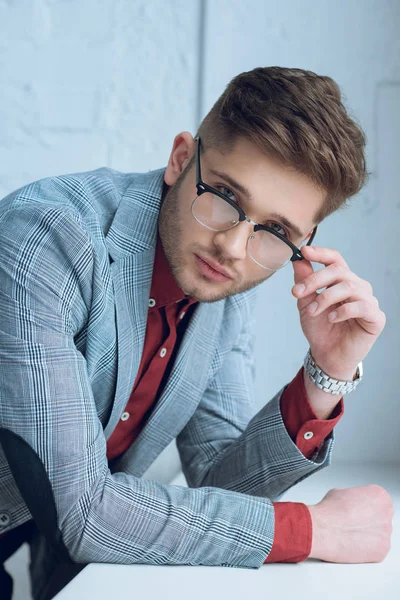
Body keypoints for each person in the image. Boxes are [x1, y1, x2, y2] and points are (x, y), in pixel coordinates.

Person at [0, 66, 393, 600]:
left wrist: (326, 374)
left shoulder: (221, 286)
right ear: (181, 160)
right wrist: (313, 529)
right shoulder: (47, 239)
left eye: (275, 231)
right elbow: (88, 511)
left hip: (61, 549)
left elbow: (220, 484)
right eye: (225, 196)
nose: (233, 247)